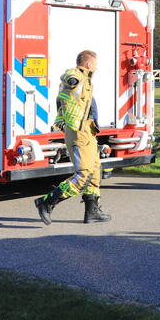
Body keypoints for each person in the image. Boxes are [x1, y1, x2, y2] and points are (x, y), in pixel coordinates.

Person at [35, 50, 112, 225]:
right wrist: (71, 78)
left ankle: (92, 211)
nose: (97, 67)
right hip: (79, 131)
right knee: (83, 174)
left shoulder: (87, 78)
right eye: (96, 64)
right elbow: (68, 79)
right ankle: (47, 202)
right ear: (89, 64)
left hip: (89, 131)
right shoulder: (75, 76)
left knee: (94, 170)